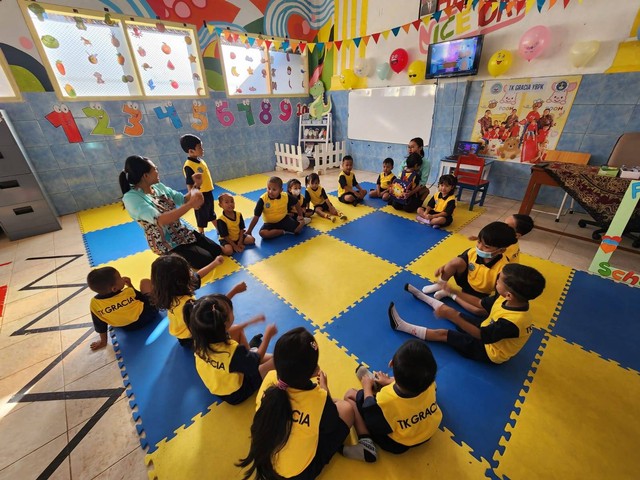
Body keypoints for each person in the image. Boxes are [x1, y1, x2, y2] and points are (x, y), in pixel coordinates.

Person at [238, 327, 374, 480]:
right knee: (347, 409)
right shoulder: (318, 398)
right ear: (314, 371)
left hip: (268, 466)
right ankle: (365, 442)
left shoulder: (270, 377)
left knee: (326, 410)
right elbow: (331, 425)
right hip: (299, 475)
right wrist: (324, 389)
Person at [389, 263, 546, 364]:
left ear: (509, 295)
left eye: (499, 281)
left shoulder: (513, 323)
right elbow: (479, 303)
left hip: (489, 351)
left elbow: (481, 336)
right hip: (488, 327)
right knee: (456, 314)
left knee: (444, 333)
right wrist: (454, 291)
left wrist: (452, 316)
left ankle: (401, 326)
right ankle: (421, 296)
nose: (496, 281)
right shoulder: (508, 298)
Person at [120, 155, 223, 269]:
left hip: (182, 232)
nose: (157, 172)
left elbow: (183, 199)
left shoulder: (159, 187)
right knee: (206, 260)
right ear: (145, 175)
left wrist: (196, 185)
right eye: (155, 169)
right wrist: (190, 205)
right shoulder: (131, 198)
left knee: (217, 251)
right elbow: (160, 220)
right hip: (166, 243)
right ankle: (169, 260)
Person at [344, 340, 441, 454]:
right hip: (429, 432)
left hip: (398, 444)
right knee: (408, 388)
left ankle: (366, 443)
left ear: (391, 364)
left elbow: (371, 414)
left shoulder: (385, 399)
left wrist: (366, 388)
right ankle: (378, 383)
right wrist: (389, 381)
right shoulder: (430, 384)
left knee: (350, 395)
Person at [185, 294, 277, 404]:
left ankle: (250, 354)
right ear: (224, 324)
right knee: (277, 360)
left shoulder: (201, 338)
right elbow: (256, 360)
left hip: (219, 385)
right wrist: (268, 336)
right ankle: (253, 356)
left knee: (237, 330)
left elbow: (234, 330)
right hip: (236, 393)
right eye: (230, 310)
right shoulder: (231, 352)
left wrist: (251, 322)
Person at [150, 254, 249, 346]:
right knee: (237, 329)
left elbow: (197, 277)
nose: (191, 272)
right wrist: (235, 291)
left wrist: (214, 263)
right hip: (194, 339)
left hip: (182, 335)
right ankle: (251, 355)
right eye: (188, 270)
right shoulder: (188, 304)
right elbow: (217, 307)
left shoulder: (168, 292)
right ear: (181, 280)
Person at [421, 221, 517, 304]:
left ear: (501, 251)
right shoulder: (473, 252)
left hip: (480, 293)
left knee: (480, 311)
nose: (479, 247)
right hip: (466, 281)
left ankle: (451, 294)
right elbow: (456, 262)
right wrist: (445, 267)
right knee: (456, 261)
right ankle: (440, 285)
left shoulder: (503, 268)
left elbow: (499, 294)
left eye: (486, 247)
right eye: (478, 242)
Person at [87, 267, 159, 350]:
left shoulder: (95, 303)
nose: (122, 278)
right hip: (150, 315)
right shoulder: (128, 292)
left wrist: (103, 341)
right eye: (120, 277)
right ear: (114, 288)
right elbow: (142, 299)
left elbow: (99, 325)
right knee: (145, 282)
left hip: (127, 328)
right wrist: (130, 286)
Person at [180, 134, 216, 234]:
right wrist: (193, 198)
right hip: (200, 195)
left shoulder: (200, 160)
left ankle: (219, 229)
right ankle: (201, 233)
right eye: (200, 147)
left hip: (208, 192)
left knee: (211, 212)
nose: (202, 149)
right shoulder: (189, 166)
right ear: (191, 151)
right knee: (201, 215)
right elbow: (189, 184)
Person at [400, 137, 431, 204]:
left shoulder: (426, 163)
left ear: (420, 148)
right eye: (409, 147)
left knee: (409, 207)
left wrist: (411, 192)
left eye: (412, 147)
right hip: (405, 186)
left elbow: (422, 182)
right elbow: (400, 177)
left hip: (415, 187)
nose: (410, 149)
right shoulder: (405, 161)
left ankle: (419, 202)